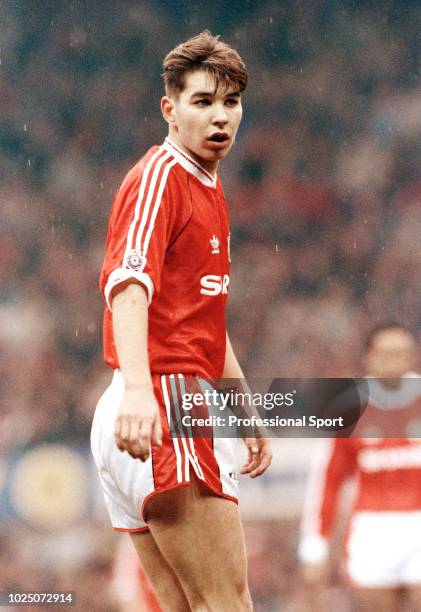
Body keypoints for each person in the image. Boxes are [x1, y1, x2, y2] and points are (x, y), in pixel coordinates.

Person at [91, 31, 272, 612]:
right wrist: (143, 394)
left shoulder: (209, 187)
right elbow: (127, 286)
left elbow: (205, 325)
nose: (221, 116)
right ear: (170, 109)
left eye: (231, 101)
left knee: (187, 608)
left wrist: (246, 414)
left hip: (154, 400)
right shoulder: (161, 176)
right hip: (161, 401)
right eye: (203, 102)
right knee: (227, 603)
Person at [298, 323, 421, 612]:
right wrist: (315, 545)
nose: (395, 361)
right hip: (372, 532)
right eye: (386, 353)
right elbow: (328, 480)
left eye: (402, 353)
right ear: (369, 356)